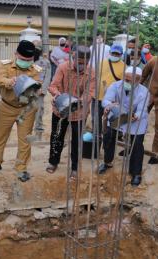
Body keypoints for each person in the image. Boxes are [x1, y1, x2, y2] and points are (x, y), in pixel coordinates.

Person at [0, 40, 42, 182]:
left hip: (26, 109)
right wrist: (10, 82)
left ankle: (21, 168)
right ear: (16, 54)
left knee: (25, 139)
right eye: (23, 59)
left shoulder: (36, 69)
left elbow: (37, 86)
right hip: (6, 106)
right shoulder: (5, 65)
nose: (26, 62)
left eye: (29, 60)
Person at [46, 45, 94, 179]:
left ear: (88, 61)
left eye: (84, 63)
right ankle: (53, 162)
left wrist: (78, 102)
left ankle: (74, 167)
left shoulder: (92, 72)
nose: (81, 65)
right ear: (73, 57)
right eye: (78, 62)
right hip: (60, 111)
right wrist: (58, 95)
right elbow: (53, 85)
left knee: (77, 141)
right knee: (57, 137)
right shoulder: (63, 68)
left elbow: (90, 92)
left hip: (79, 113)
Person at [98, 66, 149, 186]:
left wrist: (136, 115)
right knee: (109, 138)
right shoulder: (115, 85)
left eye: (130, 81)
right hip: (117, 116)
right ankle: (107, 162)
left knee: (136, 144)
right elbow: (105, 100)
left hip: (136, 121)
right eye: (125, 79)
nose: (126, 82)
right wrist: (110, 105)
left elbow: (142, 109)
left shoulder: (144, 91)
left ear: (138, 80)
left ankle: (136, 173)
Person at [91, 44, 125, 147]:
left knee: (111, 123)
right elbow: (94, 77)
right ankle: (96, 145)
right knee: (96, 121)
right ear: (109, 52)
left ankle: (108, 145)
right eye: (113, 53)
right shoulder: (101, 63)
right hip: (97, 97)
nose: (114, 55)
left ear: (121, 55)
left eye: (117, 54)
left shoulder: (124, 67)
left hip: (113, 101)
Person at [33, 41, 52, 139]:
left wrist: (43, 90)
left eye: (37, 49)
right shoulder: (27, 61)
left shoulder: (45, 62)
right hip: (28, 91)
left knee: (39, 112)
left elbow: (47, 77)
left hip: (39, 91)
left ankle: (38, 134)